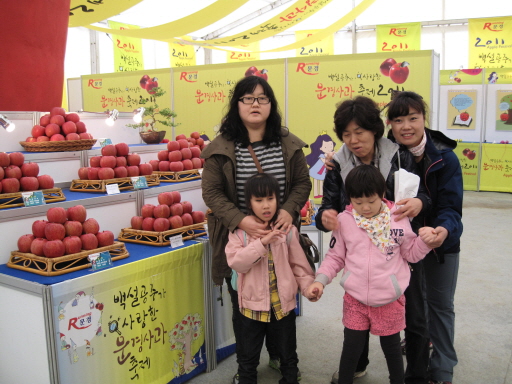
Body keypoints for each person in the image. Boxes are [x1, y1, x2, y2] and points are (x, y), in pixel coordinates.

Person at [200, 75, 312, 382]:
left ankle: (280, 357)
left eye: (262, 98)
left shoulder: (287, 142)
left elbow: (303, 182)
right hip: (240, 237)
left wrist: (289, 210)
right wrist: (241, 220)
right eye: (248, 98)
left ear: (271, 105)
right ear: (236, 105)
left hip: (280, 236)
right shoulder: (221, 147)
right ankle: (246, 366)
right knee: (244, 303)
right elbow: (211, 193)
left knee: (283, 300)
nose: (255, 104)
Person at [314, 95, 431, 383]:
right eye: (346, 134)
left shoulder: (399, 156)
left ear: (375, 131)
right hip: (358, 253)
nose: (353, 140)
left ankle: (413, 375)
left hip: (397, 250)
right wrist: (326, 216)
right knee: (356, 322)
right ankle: (356, 366)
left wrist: (420, 204)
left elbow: (423, 193)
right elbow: (328, 206)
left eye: (360, 132)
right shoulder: (336, 164)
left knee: (412, 317)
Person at [386, 91, 463, 384]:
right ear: (389, 124)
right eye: (399, 119)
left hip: (441, 245)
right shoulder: (388, 156)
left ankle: (443, 369)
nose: (406, 126)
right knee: (410, 304)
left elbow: (451, 209)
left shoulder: (445, 158)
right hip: (403, 246)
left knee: (440, 305)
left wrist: (442, 231)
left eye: (413, 118)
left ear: (424, 119)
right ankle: (420, 343)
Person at [226, 173, 315, 384]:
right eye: (259, 200)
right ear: (249, 203)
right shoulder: (239, 234)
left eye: (270, 199)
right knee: (247, 359)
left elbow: (299, 267)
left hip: (282, 307)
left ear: (278, 200)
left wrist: (308, 287)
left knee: (288, 356)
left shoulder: (288, 231)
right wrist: (262, 242)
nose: (266, 206)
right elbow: (237, 262)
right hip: (251, 308)